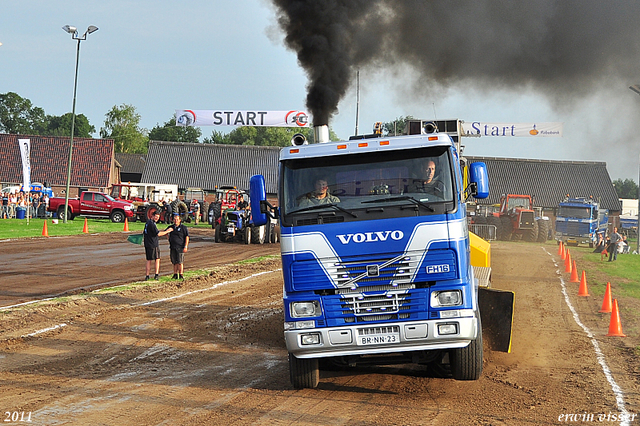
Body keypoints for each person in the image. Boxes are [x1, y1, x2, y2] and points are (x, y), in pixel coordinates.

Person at [143, 210, 172, 280]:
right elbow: (158, 234)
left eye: (158, 217)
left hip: (147, 243)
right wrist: (167, 231)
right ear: (152, 216)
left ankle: (147, 276)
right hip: (153, 244)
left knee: (149, 259)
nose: (157, 218)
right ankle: (156, 274)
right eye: (156, 217)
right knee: (157, 259)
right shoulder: (152, 224)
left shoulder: (148, 223)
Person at [167, 212, 189, 279]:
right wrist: (169, 239)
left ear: (180, 220)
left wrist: (185, 246)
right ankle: (175, 274)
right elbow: (166, 232)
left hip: (180, 247)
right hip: (173, 247)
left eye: (177, 219)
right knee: (174, 262)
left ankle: (181, 274)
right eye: (174, 219)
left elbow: (187, 237)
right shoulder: (171, 227)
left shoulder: (183, 228)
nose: (176, 221)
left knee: (180, 262)